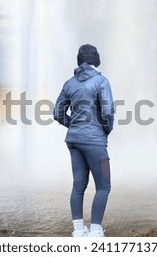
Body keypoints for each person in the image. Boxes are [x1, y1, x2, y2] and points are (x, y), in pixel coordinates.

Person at [53, 44, 114, 237]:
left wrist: (73, 125)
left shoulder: (69, 83)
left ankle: (78, 231)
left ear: (79, 61)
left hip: (74, 142)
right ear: (97, 61)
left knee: (78, 185)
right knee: (104, 186)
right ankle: (96, 232)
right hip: (95, 143)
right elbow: (106, 112)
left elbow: (57, 113)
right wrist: (105, 130)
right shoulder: (102, 81)